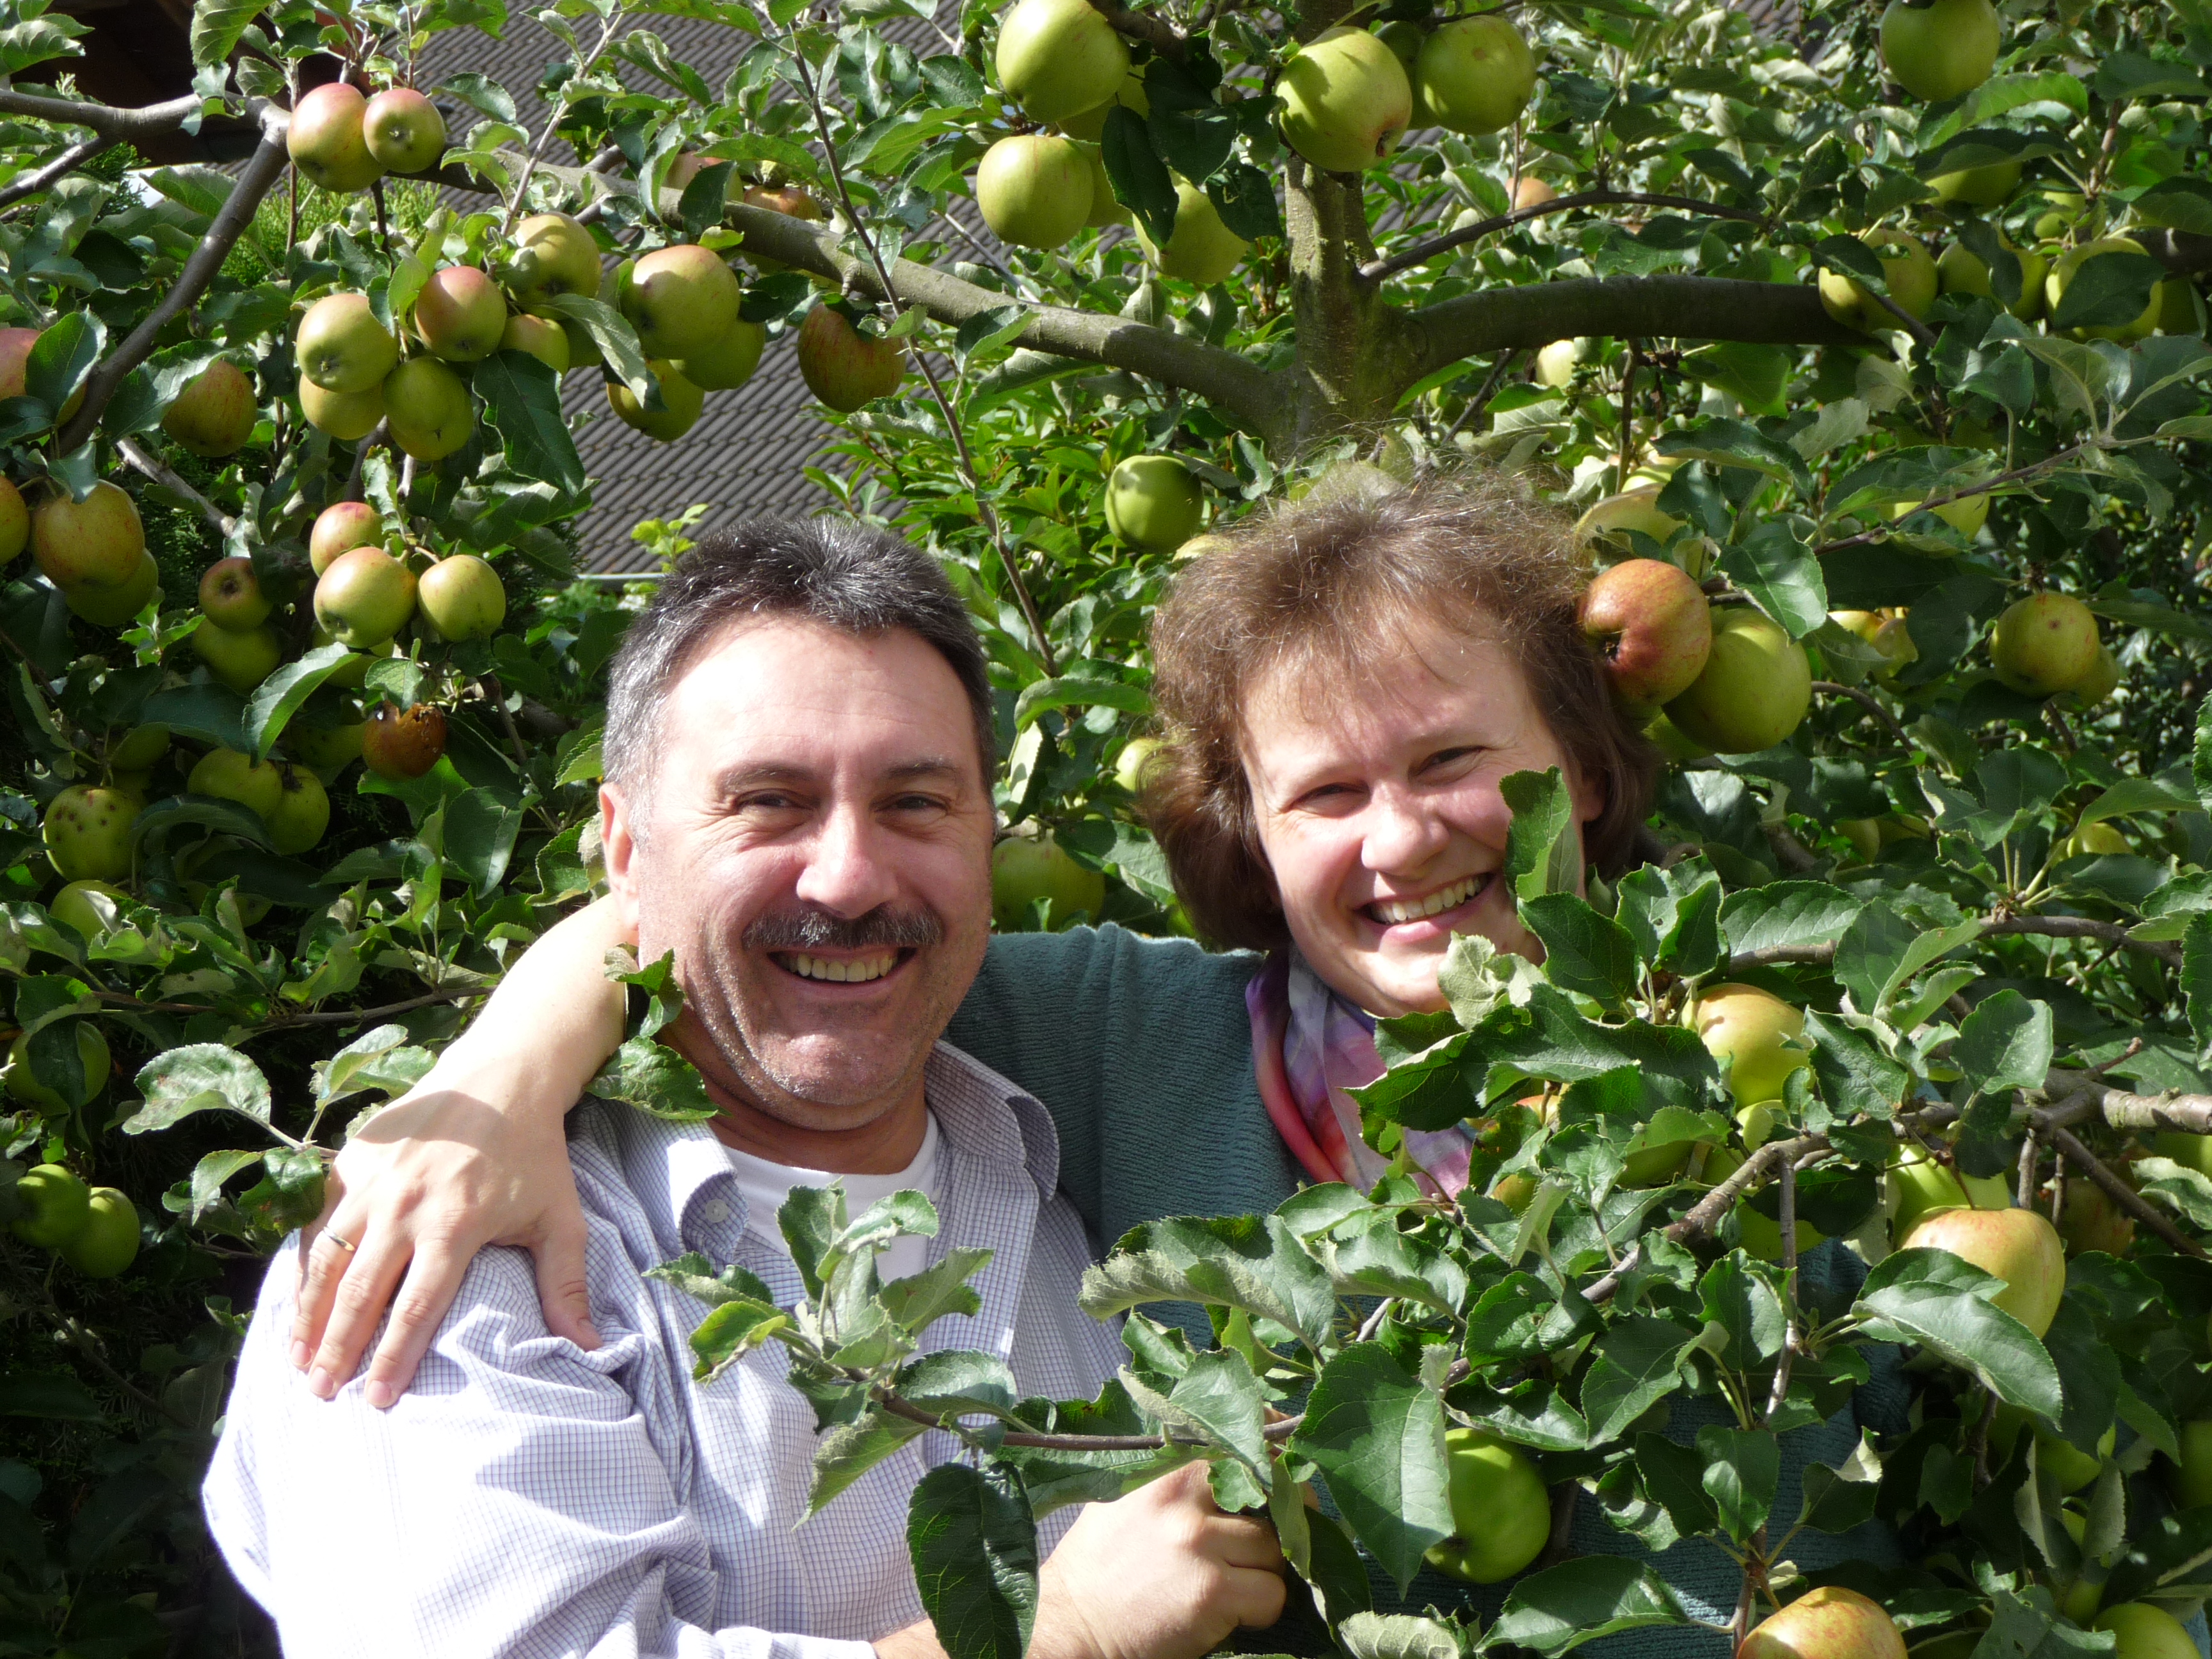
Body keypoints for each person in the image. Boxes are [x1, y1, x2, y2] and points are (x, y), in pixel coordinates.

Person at [286, 476, 1899, 1645]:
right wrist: (495, 1080)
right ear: (1252, 838)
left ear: (1585, 774)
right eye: (1325, 794)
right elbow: (778, 942)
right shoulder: (1140, 1036)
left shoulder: (1777, 1110)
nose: (1403, 838)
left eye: (1456, 762)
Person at [204, 518, 1290, 1658]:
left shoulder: (1070, 1134)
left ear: (988, 836)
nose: (850, 879)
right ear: (624, 851)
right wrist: (1062, 1630)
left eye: (917, 803)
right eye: (769, 800)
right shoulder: (449, 1254)